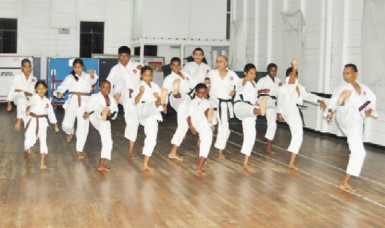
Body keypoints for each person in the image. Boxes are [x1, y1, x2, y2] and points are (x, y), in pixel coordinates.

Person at [325, 64, 377, 192]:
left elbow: (371, 99)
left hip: (357, 118)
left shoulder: (364, 89)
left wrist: (369, 110)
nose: (346, 76)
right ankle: (344, 182)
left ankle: (345, 181)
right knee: (359, 152)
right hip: (346, 117)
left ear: (356, 74)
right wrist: (330, 111)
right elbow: (331, 101)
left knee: (358, 151)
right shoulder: (342, 87)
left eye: (348, 73)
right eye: (344, 73)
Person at [277, 59, 326, 170]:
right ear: (287, 77)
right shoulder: (284, 87)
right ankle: (291, 162)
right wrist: (278, 113)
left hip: (293, 111)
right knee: (298, 135)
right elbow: (280, 101)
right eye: (292, 75)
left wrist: (320, 101)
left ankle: (292, 161)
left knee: (298, 135)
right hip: (289, 111)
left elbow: (309, 96)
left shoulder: (299, 87)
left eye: (295, 75)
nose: (294, 78)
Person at [54, 58, 98, 159]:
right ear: (73, 68)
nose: (77, 69)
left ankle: (79, 150)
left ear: (82, 67)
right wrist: (59, 93)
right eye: (75, 67)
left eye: (79, 67)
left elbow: (93, 80)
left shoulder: (87, 76)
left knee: (82, 127)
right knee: (66, 124)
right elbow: (62, 87)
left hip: (85, 102)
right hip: (73, 101)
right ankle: (70, 132)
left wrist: (92, 74)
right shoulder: (70, 77)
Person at [106, 46, 142, 160]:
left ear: (129, 57)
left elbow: (146, 75)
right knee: (121, 82)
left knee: (133, 123)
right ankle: (113, 108)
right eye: (121, 55)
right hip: (119, 95)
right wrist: (106, 98)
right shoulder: (115, 69)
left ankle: (131, 150)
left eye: (126, 56)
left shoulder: (136, 65)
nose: (124, 58)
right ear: (118, 56)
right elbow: (108, 83)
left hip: (132, 98)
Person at [162, 57, 197, 161]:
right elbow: (164, 91)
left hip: (188, 99)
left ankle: (173, 152)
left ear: (180, 65)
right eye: (174, 65)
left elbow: (195, 86)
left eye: (178, 65)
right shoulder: (169, 78)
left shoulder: (186, 75)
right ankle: (177, 91)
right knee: (180, 97)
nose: (176, 67)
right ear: (171, 66)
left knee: (184, 124)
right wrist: (163, 105)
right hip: (176, 98)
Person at [133, 66, 167, 171]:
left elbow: (160, 97)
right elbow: (135, 101)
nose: (148, 77)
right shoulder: (139, 86)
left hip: (153, 113)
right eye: (146, 75)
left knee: (152, 137)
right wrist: (141, 92)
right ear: (141, 75)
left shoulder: (155, 85)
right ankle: (158, 103)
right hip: (143, 109)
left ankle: (145, 163)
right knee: (155, 102)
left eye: (150, 75)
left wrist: (163, 105)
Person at [234, 64, 267, 172]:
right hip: (240, 106)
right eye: (251, 73)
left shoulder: (254, 84)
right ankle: (259, 110)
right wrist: (246, 78)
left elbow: (254, 97)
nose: (253, 76)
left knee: (251, 135)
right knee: (252, 109)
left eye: (255, 73)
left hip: (250, 110)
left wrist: (259, 99)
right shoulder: (243, 81)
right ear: (245, 73)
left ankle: (245, 162)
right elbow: (243, 82)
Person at [208, 55, 240, 159]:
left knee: (225, 128)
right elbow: (206, 82)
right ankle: (211, 124)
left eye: (221, 61)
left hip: (225, 103)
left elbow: (239, 85)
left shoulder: (232, 74)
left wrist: (234, 91)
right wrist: (206, 86)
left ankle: (220, 150)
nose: (218, 63)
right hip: (213, 102)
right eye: (217, 61)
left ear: (226, 63)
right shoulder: (212, 73)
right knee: (212, 125)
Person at [83, 80, 118, 172]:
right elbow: (89, 107)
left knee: (108, 143)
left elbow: (116, 111)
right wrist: (86, 112)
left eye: (108, 87)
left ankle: (101, 165)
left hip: (105, 121)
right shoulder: (94, 96)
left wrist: (110, 114)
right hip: (95, 117)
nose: (106, 89)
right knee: (100, 106)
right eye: (104, 87)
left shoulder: (111, 98)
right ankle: (103, 111)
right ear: (100, 88)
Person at [24, 81, 60, 169]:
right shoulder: (33, 98)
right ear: (35, 89)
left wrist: (55, 125)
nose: (41, 90)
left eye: (43, 88)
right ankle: (27, 147)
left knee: (43, 141)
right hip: (32, 120)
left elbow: (51, 113)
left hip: (43, 122)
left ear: (46, 90)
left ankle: (42, 162)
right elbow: (28, 105)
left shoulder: (47, 101)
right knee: (28, 140)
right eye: (39, 88)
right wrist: (27, 109)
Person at [187, 83, 214, 177]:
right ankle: (199, 168)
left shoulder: (204, 101)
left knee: (205, 141)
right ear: (195, 93)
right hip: (201, 124)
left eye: (204, 93)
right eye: (200, 93)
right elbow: (189, 116)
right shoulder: (196, 102)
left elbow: (189, 116)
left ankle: (200, 140)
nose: (202, 95)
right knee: (206, 147)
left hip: (202, 124)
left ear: (206, 93)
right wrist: (191, 127)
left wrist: (192, 127)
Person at [256, 63, 282, 154]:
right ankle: (262, 106)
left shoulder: (278, 80)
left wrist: (281, 87)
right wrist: (262, 90)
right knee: (271, 102)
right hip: (264, 98)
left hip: (273, 102)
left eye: (275, 71)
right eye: (271, 70)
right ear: (268, 70)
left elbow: (280, 92)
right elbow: (255, 91)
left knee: (272, 124)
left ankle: (268, 148)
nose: (273, 72)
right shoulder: (262, 80)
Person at [7, 58, 37, 131]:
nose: (27, 69)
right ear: (21, 68)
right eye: (25, 67)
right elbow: (12, 89)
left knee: (27, 111)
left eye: (29, 66)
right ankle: (19, 120)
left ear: (31, 68)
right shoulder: (18, 77)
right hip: (18, 96)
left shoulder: (34, 79)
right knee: (21, 100)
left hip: (28, 98)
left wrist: (28, 94)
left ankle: (27, 124)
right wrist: (9, 103)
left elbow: (33, 93)